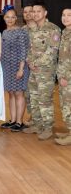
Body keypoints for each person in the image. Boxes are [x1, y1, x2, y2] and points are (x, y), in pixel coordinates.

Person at [23, 4, 61, 140]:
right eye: (34, 11)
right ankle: (37, 124)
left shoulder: (53, 29)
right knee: (33, 97)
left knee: (45, 99)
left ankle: (48, 128)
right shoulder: (33, 29)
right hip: (33, 70)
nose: (35, 14)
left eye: (39, 11)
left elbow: (52, 51)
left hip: (46, 71)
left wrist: (35, 64)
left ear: (45, 13)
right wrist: (29, 62)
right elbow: (29, 49)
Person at [0, 9, 29, 132]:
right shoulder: (5, 32)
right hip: (7, 67)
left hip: (18, 66)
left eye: (12, 17)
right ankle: (12, 120)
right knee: (11, 93)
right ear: (4, 18)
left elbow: (24, 50)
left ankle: (19, 121)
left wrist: (21, 68)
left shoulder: (21, 32)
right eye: (7, 17)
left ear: (16, 18)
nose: (10, 19)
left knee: (19, 93)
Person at [55, 8, 71, 145]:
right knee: (65, 104)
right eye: (63, 15)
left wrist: (66, 76)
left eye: (69, 15)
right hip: (63, 76)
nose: (65, 18)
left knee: (69, 105)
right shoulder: (65, 32)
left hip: (69, 77)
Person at [22, 5, 36, 125]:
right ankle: (33, 118)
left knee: (39, 95)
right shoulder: (23, 29)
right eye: (25, 12)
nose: (27, 14)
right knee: (27, 94)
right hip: (26, 68)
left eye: (30, 11)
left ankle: (40, 121)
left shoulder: (40, 28)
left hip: (37, 68)